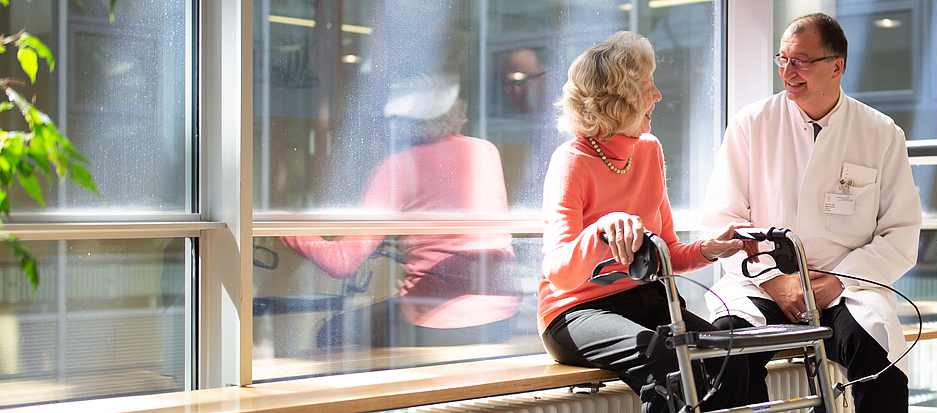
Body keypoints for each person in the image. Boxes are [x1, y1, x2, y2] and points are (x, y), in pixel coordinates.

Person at [702, 13, 922, 413]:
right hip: (763, 285)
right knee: (726, 351)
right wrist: (776, 282)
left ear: (837, 66)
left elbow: (900, 231)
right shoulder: (752, 124)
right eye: (782, 59)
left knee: (878, 356)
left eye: (801, 60)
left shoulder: (881, 132)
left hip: (846, 288)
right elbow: (723, 222)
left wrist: (836, 281)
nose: (788, 70)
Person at [539, 31, 765, 413]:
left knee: (732, 359)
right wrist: (602, 231)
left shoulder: (649, 150)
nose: (657, 95)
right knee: (668, 362)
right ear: (619, 98)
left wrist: (709, 249)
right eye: (647, 85)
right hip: (576, 311)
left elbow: (667, 252)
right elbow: (560, 273)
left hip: (645, 299)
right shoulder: (571, 160)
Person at [282, 93, 518, 348]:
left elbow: (342, 262)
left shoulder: (397, 166)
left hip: (436, 323)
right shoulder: (484, 150)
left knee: (331, 334)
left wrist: (284, 226)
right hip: (502, 317)